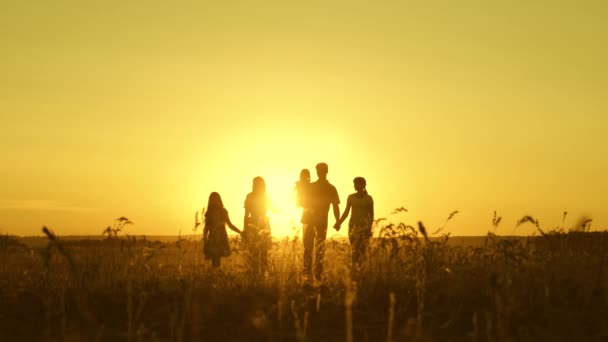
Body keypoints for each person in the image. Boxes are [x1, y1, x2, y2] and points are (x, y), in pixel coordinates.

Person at [305, 162, 340, 281]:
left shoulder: (330, 188)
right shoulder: (314, 186)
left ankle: (316, 275)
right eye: (318, 171)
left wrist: (338, 221)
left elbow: (336, 206)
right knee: (310, 248)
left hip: (318, 222)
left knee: (317, 248)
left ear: (326, 171)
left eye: (321, 171)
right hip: (311, 221)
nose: (319, 173)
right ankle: (310, 274)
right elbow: (302, 202)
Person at [334, 177, 374, 271]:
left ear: (363, 185)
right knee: (354, 249)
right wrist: (338, 222)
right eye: (354, 184)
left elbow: (371, 215)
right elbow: (346, 212)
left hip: (364, 228)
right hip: (353, 227)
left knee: (362, 250)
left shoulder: (369, 198)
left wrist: (369, 228)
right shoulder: (351, 197)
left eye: (356, 184)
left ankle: (362, 270)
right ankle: (354, 270)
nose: (355, 185)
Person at [203, 192, 242, 268]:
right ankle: (215, 276)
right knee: (215, 259)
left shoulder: (223, 211)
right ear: (210, 201)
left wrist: (240, 232)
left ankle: (216, 275)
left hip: (221, 237)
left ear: (219, 200)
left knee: (217, 259)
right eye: (213, 199)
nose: (214, 201)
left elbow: (230, 225)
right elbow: (206, 229)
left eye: (216, 199)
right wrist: (205, 242)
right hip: (212, 238)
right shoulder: (209, 213)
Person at [243, 176, 272, 275]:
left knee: (264, 251)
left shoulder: (264, 196)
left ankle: (262, 274)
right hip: (254, 224)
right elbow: (246, 214)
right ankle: (255, 274)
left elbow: (272, 207)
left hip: (262, 223)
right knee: (254, 251)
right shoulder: (250, 196)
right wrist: (245, 228)